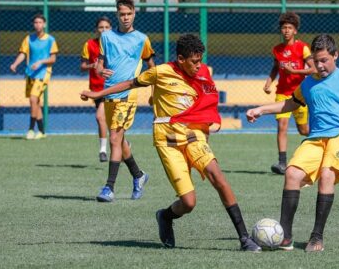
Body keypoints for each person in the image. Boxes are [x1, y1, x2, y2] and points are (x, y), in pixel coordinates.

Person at [81, 34, 261, 252]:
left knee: (218, 177)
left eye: (200, 60)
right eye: (194, 62)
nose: (198, 66)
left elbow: (207, 103)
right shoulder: (161, 71)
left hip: (194, 135)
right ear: (181, 59)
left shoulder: (202, 72)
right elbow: (130, 83)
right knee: (189, 203)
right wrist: (97, 93)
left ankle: (244, 238)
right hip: (167, 140)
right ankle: (165, 216)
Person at [247, 34, 339, 252]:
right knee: (292, 174)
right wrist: (261, 109)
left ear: (336, 56)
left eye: (325, 60)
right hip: (316, 138)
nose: (320, 65)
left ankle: (317, 237)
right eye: (316, 61)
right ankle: (285, 237)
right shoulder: (307, 83)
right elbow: (290, 103)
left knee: (327, 175)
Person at [94, 0, 155, 202]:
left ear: (134, 14)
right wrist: (100, 70)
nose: (126, 17)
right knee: (119, 140)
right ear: (117, 15)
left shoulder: (142, 39)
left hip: (128, 95)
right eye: (122, 14)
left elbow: (151, 66)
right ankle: (138, 176)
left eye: (129, 14)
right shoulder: (106, 37)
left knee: (113, 139)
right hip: (110, 93)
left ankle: (108, 188)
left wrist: (154, 92)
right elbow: (99, 63)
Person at [263, 12, 315, 174]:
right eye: (284, 27)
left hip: (300, 94)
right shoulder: (277, 50)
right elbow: (275, 67)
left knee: (304, 131)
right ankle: (282, 163)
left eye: (290, 28)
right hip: (282, 93)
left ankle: (318, 152)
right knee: (282, 126)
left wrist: (294, 70)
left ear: (295, 31)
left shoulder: (303, 48)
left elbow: (313, 69)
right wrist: (269, 82)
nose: (286, 30)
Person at [9, 13, 58, 140]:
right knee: (35, 103)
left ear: (44, 24)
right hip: (30, 74)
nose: (38, 25)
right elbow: (23, 54)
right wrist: (15, 64)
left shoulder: (50, 40)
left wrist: (41, 62)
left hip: (43, 74)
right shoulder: (28, 38)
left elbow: (53, 59)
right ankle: (41, 131)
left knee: (32, 99)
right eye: (36, 22)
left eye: (40, 22)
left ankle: (31, 129)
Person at [81, 16, 112, 162]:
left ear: (111, 29)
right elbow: (82, 66)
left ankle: (103, 150)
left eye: (106, 27)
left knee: (102, 118)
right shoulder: (89, 45)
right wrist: (91, 66)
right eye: (101, 27)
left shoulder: (115, 44)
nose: (104, 30)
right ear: (96, 29)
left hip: (113, 87)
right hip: (96, 89)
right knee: (104, 120)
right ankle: (121, 144)